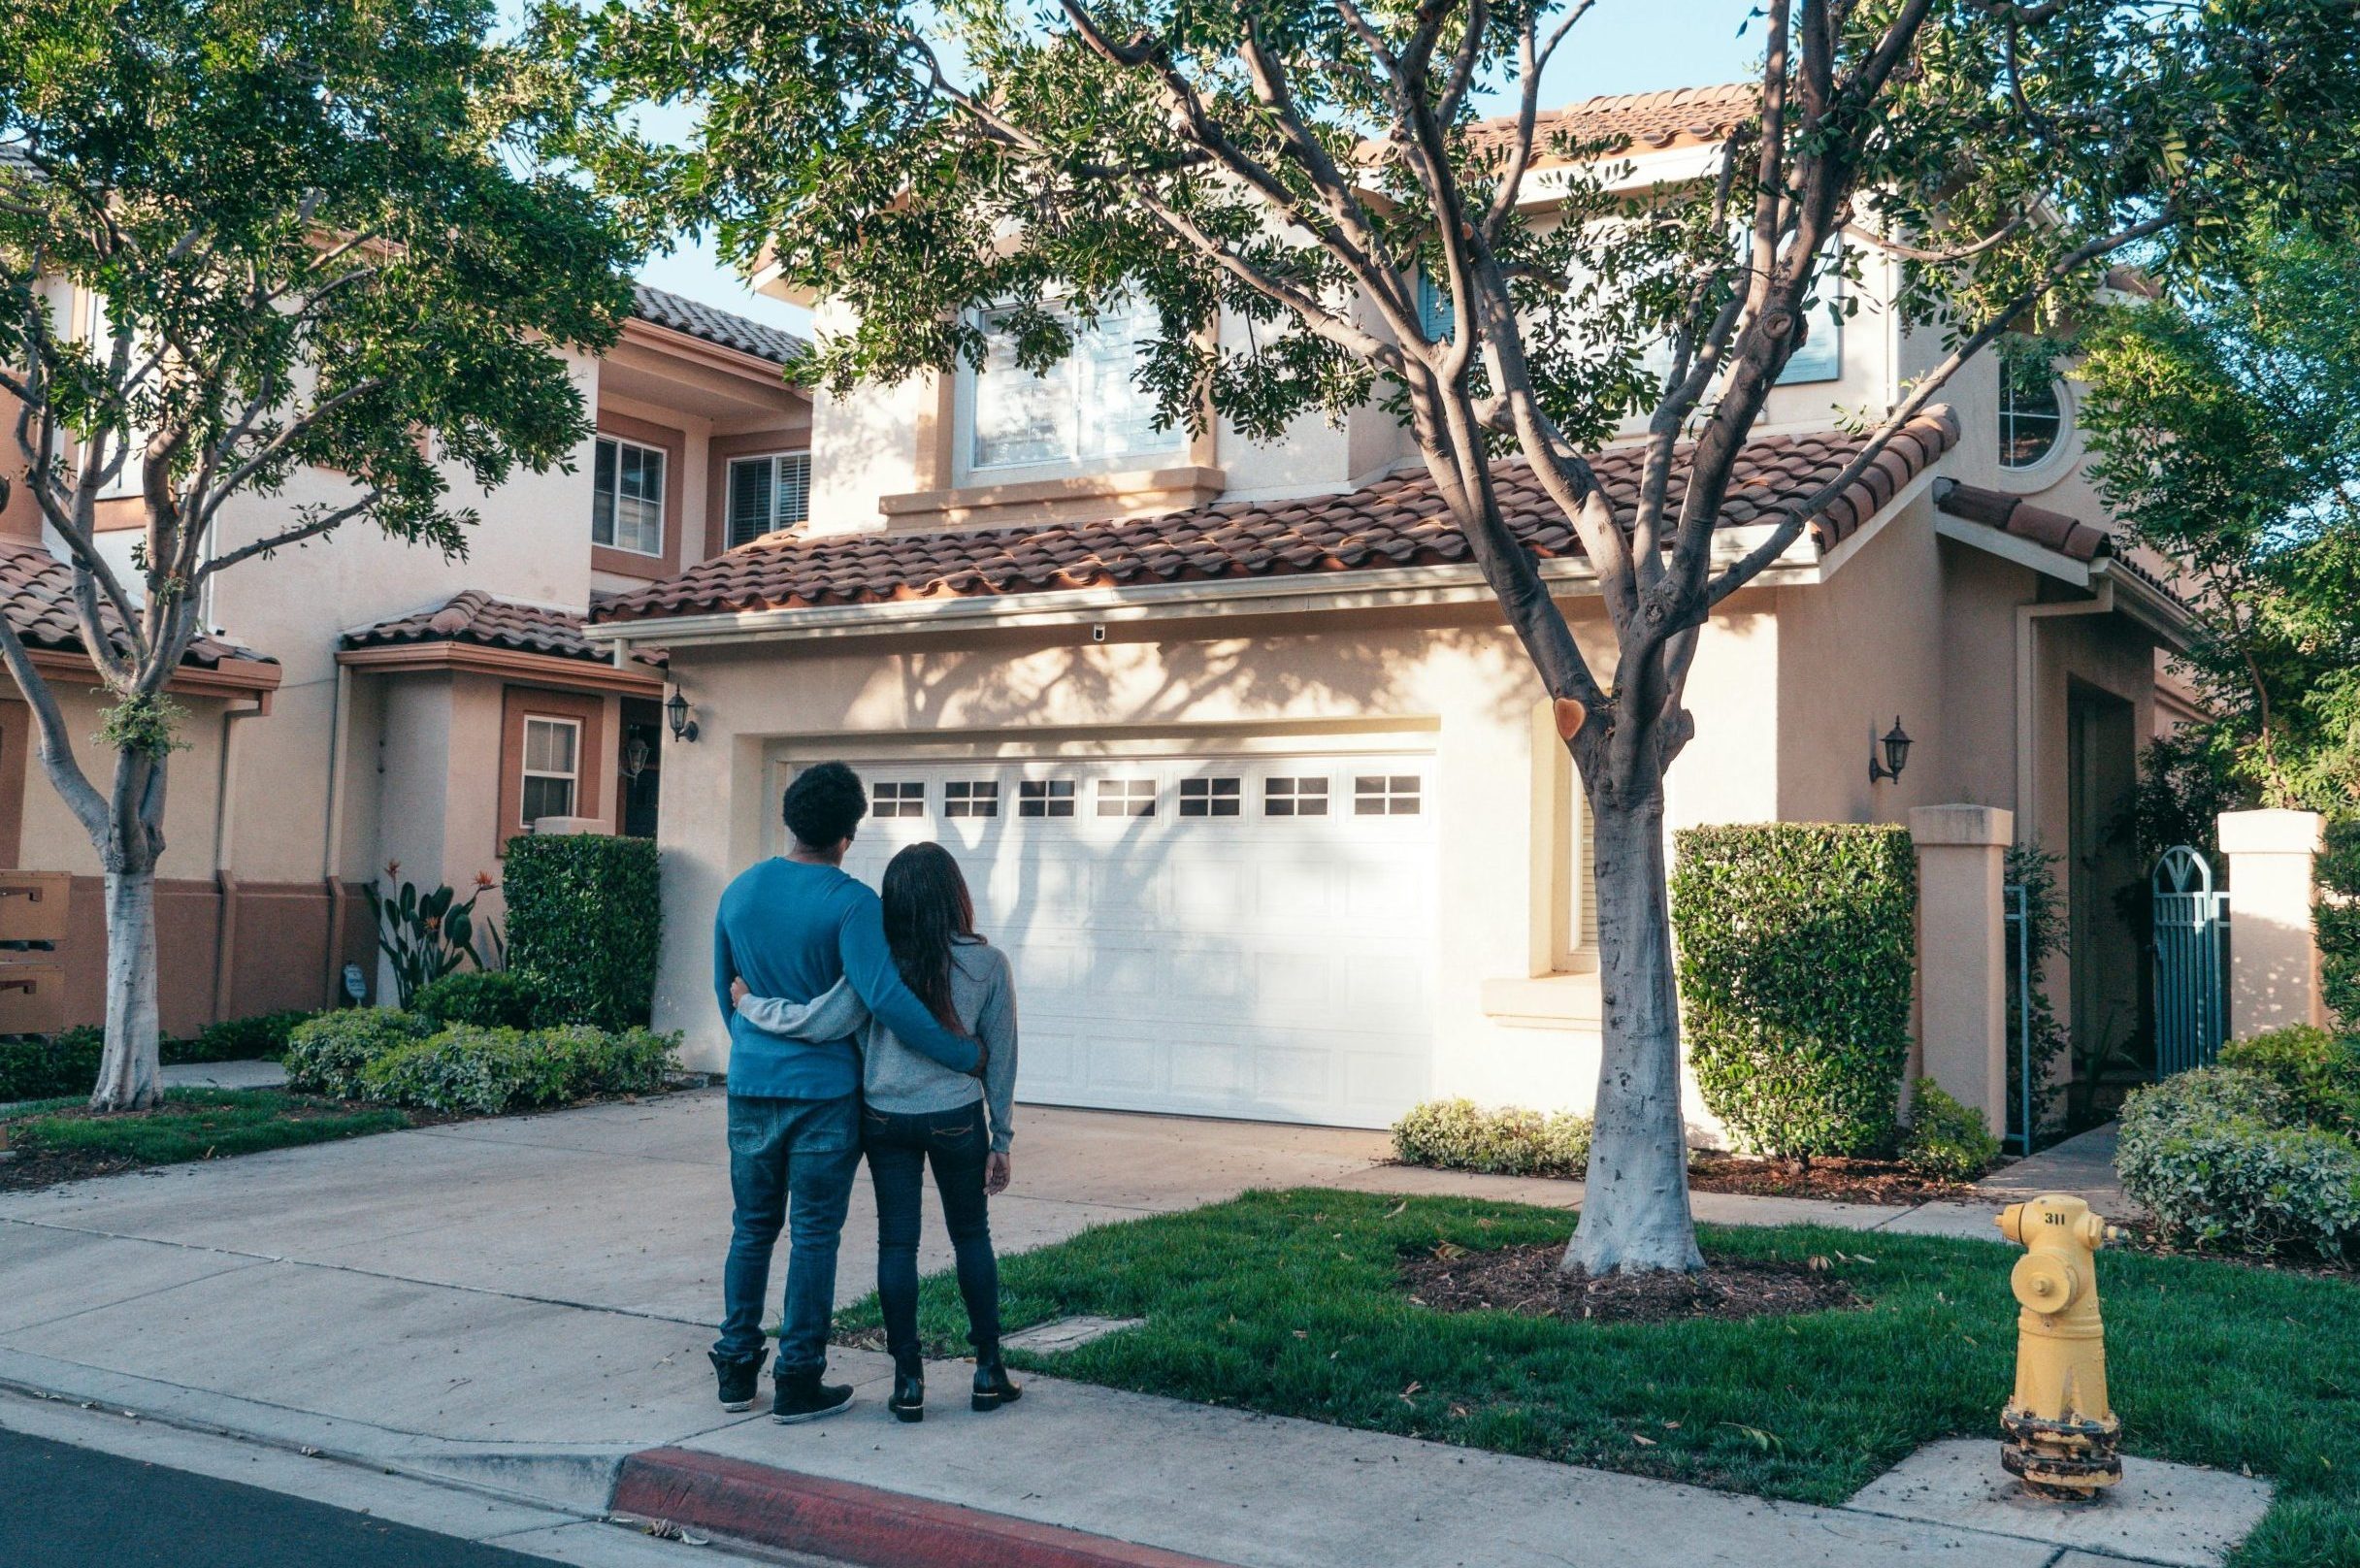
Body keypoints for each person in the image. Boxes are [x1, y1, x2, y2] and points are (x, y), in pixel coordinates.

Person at [709, 762, 982, 1424]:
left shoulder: (739, 892)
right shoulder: (853, 902)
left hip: (751, 1086)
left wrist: (756, 1052)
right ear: (848, 834)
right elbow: (886, 998)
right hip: (825, 1095)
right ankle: (798, 1378)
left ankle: (736, 1369)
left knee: (752, 1227)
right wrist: (961, 1053)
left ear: (790, 821)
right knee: (813, 1235)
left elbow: (725, 991)